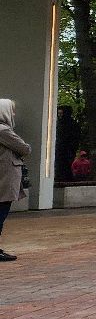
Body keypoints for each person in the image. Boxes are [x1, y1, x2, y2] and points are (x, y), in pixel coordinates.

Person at [0, 98, 30, 262]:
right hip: (4, 180)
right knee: (1, 212)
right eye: (11, 110)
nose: (13, 114)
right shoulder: (4, 131)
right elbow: (24, 148)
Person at [54, 104, 77, 182]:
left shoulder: (71, 125)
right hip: (60, 150)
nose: (60, 116)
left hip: (67, 150)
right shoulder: (58, 124)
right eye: (59, 114)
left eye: (61, 113)